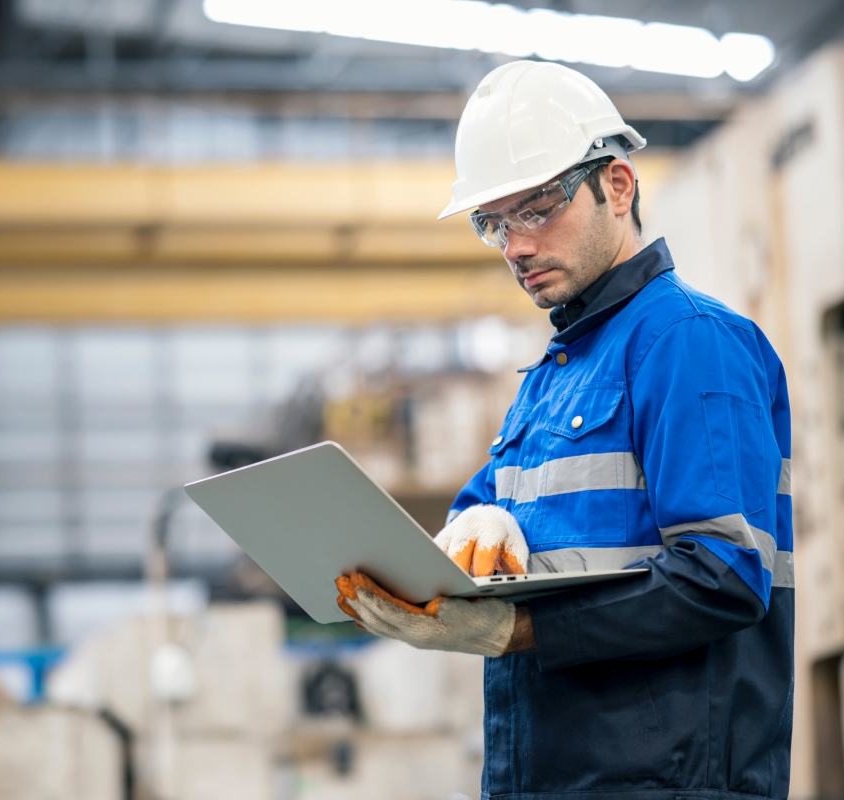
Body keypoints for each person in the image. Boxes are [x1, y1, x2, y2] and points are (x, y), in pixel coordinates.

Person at [335, 61, 793, 800]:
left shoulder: (689, 342)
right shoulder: (552, 378)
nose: (515, 247)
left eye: (537, 209)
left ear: (619, 185)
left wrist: (519, 632)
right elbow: (478, 520)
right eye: (494, 224)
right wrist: (474, 525)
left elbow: (723, 578)